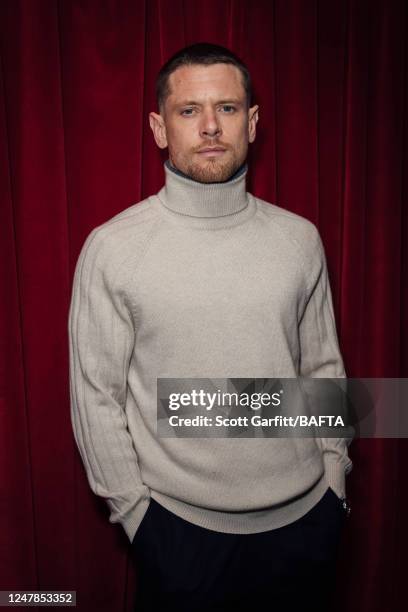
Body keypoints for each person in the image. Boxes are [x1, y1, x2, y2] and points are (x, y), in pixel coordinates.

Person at [68, 42, 353, 611]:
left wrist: (335, 482)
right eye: (188, 110)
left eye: (226, 109)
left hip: (305, 527)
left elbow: (323, 367)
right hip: (178, 537)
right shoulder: (113, 247)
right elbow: (96, 398)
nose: (209, 127)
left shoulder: (298, 238)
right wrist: (138, 518)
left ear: (250, 122)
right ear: (158, 127)